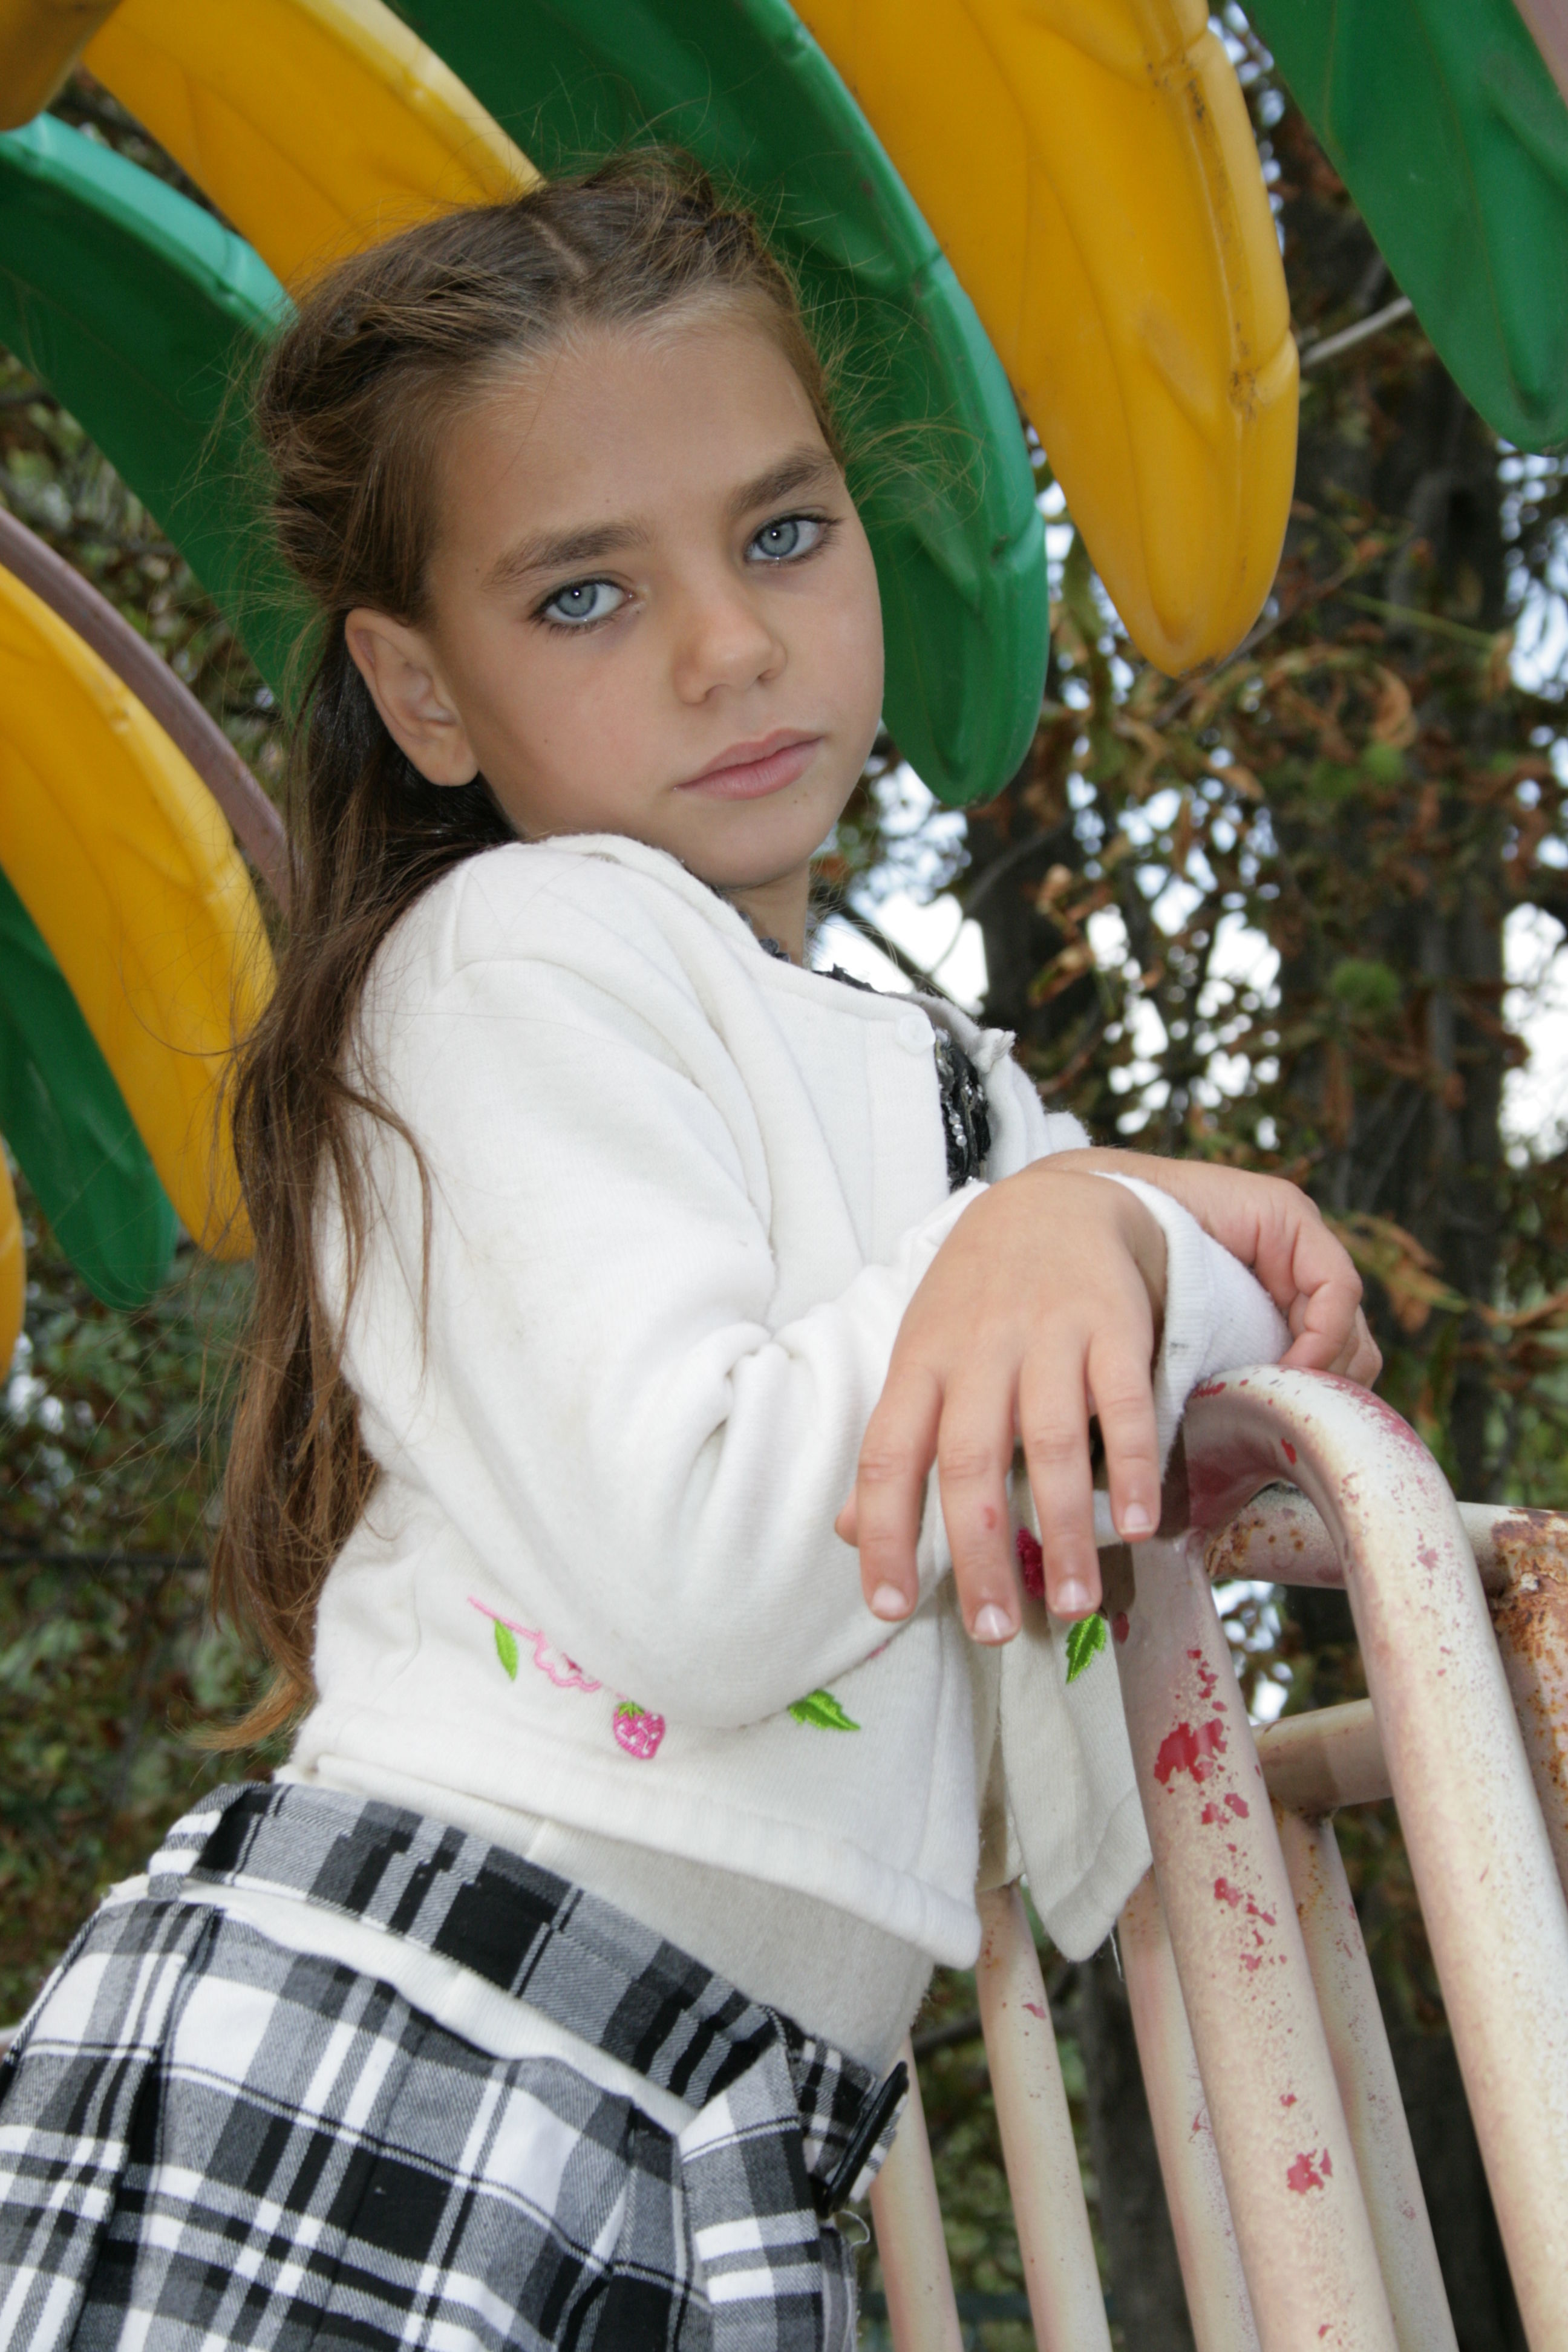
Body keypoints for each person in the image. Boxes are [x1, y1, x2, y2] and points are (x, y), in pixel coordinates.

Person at [0, 156, 1377, 2351]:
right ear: (422, 691)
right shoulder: (512, 960)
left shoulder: (938, 1086)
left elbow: (1220, 1341)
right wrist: (1078, 1227)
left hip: (718, 2112)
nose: (730, 645)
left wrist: (1104, 1244)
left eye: (783, 533)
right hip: (421, 2045)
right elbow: (708, 1562)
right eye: (582, 596)